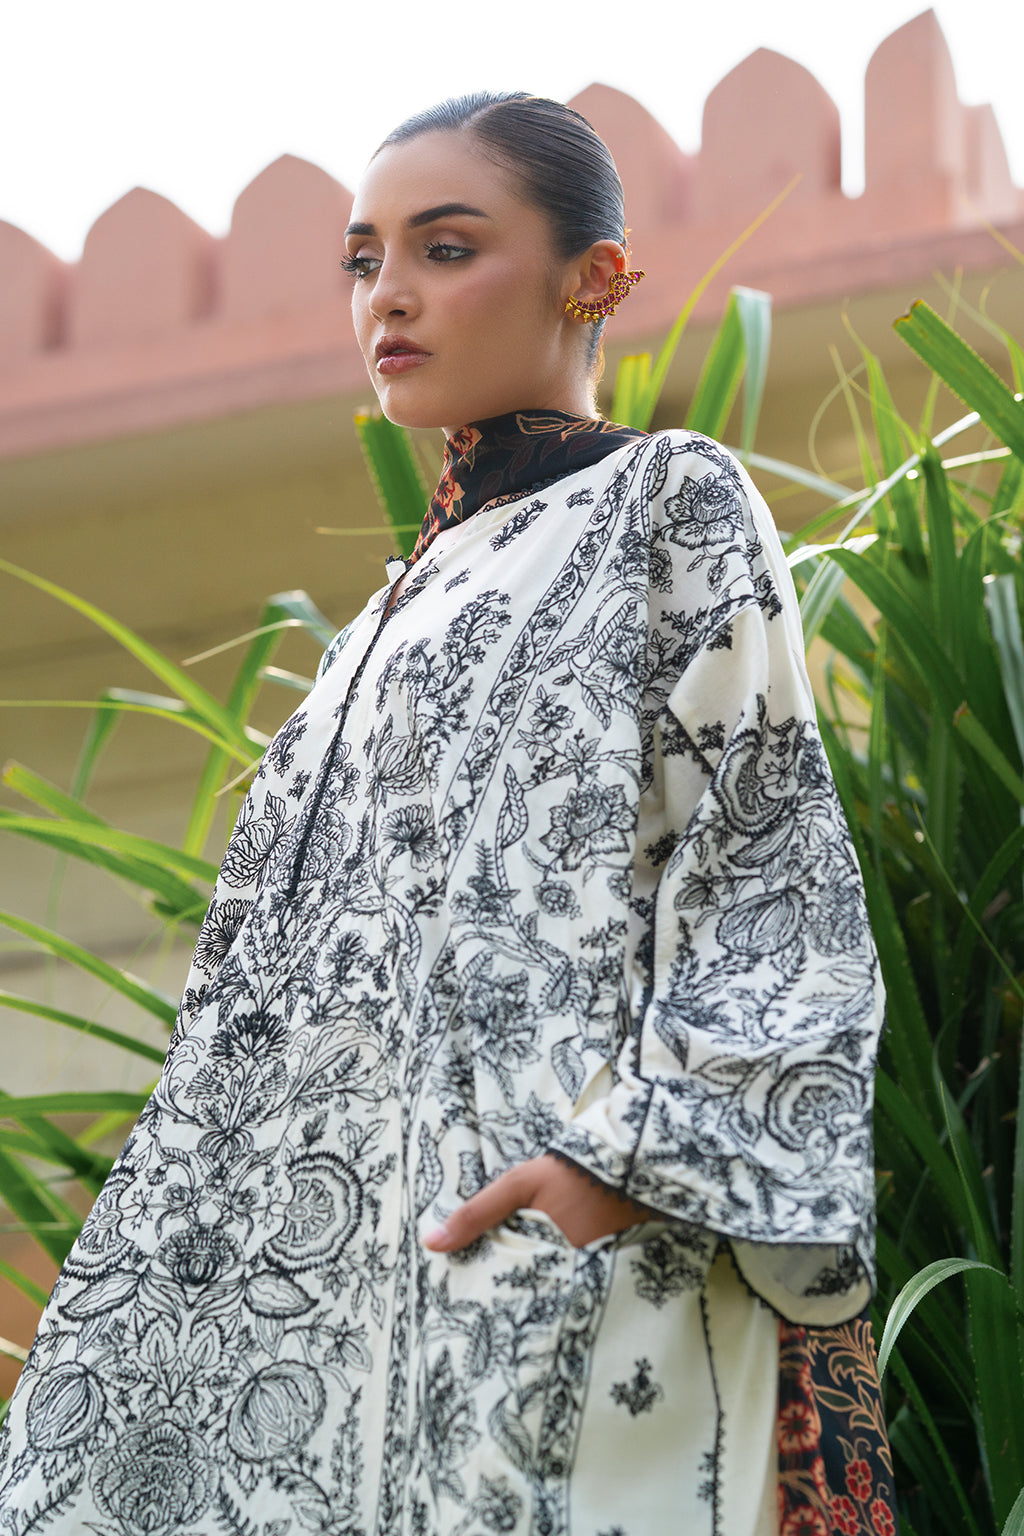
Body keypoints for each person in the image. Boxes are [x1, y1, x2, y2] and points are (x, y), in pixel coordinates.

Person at [0, 93, 895, 1536]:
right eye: (364, 260)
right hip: (297, 1322)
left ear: (594, 277)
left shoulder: (668, 502)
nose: (389, 293)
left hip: (558, 1267)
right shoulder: (371, 631)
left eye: (446, 245)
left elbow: (764, 861)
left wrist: (623, 1169)